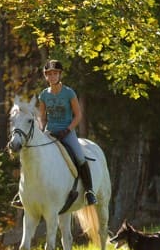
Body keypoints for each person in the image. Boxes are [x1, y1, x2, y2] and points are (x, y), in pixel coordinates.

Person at [11, 60, 97, 208]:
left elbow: (78, 116)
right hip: (50, 132)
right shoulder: (44, 95)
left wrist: (68, 130)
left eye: (55, 73)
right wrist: (41, 131)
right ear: (46, 76)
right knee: (32, 156)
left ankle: (89, 192)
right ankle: (24, 194)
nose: (52, 76)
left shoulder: (69, 93)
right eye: (49, 74)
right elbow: (42, 117)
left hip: (67, 133)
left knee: (80, 157)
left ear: (59, 75)